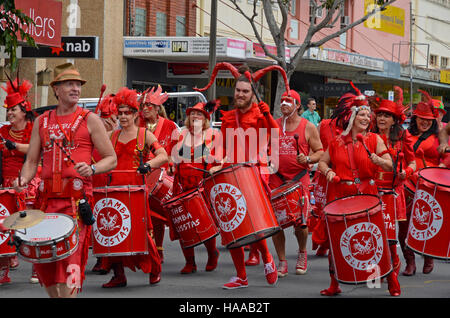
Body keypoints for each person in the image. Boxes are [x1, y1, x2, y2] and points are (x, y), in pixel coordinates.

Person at [14, 63, 117, 298]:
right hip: (45, 204)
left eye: (78, 85)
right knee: (46, 264)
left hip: (76, 204)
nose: (76, 89)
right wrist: (22, 179)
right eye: (69, 84)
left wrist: (92, 168)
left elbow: (111, 159)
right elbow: (31, 161)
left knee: (71, 262)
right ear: (56, 89)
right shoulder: (42, 121)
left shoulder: (90, 119)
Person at [315, 86, 393, 296]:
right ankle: (335, 283)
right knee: (337, 240)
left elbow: (390, 165)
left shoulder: (374, 140)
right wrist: (329, 172)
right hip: (340, 194)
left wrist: (380, 160)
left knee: (374, 237)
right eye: (362, 114)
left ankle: (390, 278)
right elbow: (322, 163)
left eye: (369, 115)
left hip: (367, 193)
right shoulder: (336, 142)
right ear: (352, 117)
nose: (367, 118)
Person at [208, 65, 280, 289]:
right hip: (229, 174)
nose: (240, 94)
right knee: (231, 226)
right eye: (238, 90)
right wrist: (215, 161)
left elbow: (274, 134)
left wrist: (267, 114)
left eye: (245, 91)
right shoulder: (229, 118)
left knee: (253, 223)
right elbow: (220, 146)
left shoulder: (260, 114)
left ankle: (267, 258)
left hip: (253, 172)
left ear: (253, 93)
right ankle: (241, 276)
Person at [100, 87, 168, 288]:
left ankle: (155, 268)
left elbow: (163, 156)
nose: (122, 116)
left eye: (126, 113)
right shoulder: (112, 136)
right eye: (119, 113)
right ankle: (118, 275)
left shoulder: (145, 134)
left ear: (135, 114)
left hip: (136, 191)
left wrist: (149, 165)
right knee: (114, 232)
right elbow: (103, 159)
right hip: (114, 190)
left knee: (141, 232)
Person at [268, 89, 323, 277]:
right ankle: (282, 260)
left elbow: (320, 152)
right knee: (276, 223)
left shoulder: (308, 126)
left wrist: (307, 159)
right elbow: (262, 149)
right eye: (282, 100)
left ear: (298, 105)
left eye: (288, 101)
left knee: (300, 223)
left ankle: (302, 252)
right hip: (276, 179)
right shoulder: (273, 125)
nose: (284, 103)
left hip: (299, 179)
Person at [370, 87, 416, 296]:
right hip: (371, 191)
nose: (381, 118)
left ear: (394, 119)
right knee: (372, 234)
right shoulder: (369, 135)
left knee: (390, 236)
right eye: (379, 114)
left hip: (393, 191)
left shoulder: (402, 136)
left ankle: (393, 274)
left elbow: (413, 162)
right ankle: (376, 273)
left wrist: (406, 172)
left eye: (386, 115)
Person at [169, 101, 220, 274]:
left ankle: (212, 254)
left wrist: (214, 167)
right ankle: (190, 262)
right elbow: (171, 155)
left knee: (204, 223)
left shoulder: (213, 135)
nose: (195, 117)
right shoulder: (180, 134)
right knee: (184, 224)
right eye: (192, 114)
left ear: (206, 118)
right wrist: (171, 163)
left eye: (199, 114)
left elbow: (221, 159)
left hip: (201, 185)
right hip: (182, 185)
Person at [398, 90, 442, 277]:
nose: (425, 122)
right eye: (421, 118)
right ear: (415, 118)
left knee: (426, 223)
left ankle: (428, 256)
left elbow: (447, 158)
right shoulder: (404, 135)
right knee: (403, 224)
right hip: (407, 184)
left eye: (428, 120)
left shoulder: (440, 137)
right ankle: (410, 261)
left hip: (430, 186)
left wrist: (440, 166)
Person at [0, 75, 39, 285]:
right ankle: (5, 267)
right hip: (6, 184)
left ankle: (36, 268)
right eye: (8, 110)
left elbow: (36, 150)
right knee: (4, 225)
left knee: (32, 224)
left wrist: (13, 146)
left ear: (24, 110)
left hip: (28, 182)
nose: (9, 113)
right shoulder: (3, 131)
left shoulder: (34, 130)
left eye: (13, 109)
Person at [139, 85, 179, 263]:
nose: (145, 109)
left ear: (157, 108)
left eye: (149, 106)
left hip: (163, 176)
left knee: (157, 217)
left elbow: (178, 150)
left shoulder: (170, 125)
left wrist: (171, 163)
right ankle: (144, 248)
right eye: (143, 106)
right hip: (140, 175)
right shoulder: (136, 125)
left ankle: (158, 250)